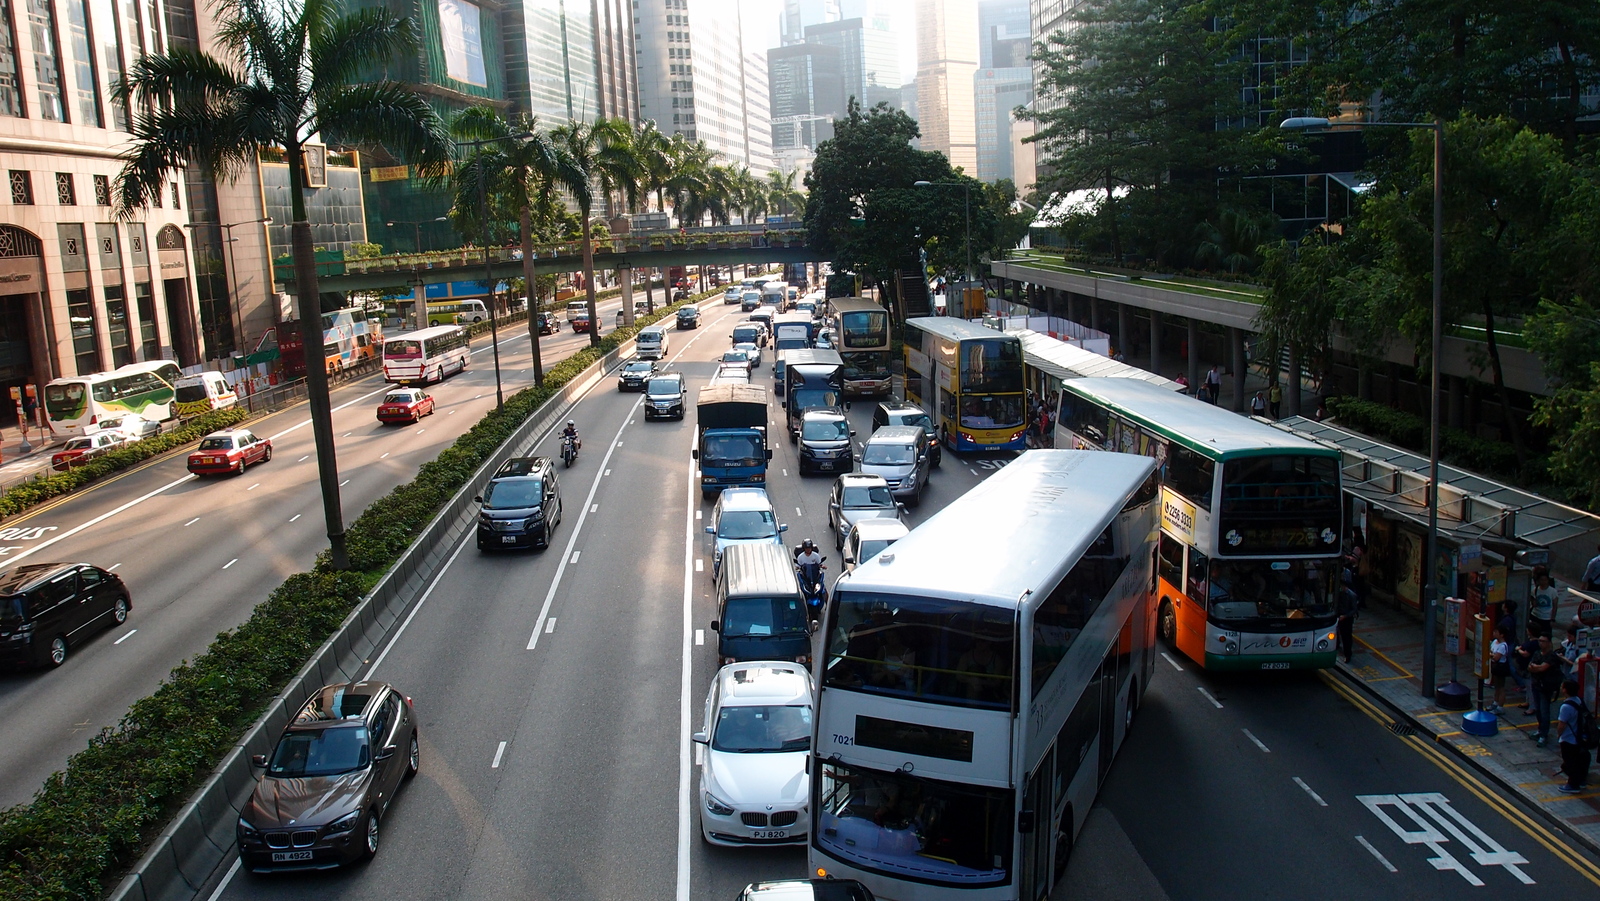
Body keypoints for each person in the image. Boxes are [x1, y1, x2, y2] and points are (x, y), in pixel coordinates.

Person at [1527, 634, 1564, 747]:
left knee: (1544, 711)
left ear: (1549, 643)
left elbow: (1543, 668)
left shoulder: (1551, 656)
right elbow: (1530, 666)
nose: (1541, 643)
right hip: (1536, 684)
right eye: (1540, 641)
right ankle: (1540, 730)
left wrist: (1536, 667)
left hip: (1546, 687)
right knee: (1538, 709)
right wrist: (1536, 667)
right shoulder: (1537, 653)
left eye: (1543, 641)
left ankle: (1544, 734)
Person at [1556, 680, 1592, 793]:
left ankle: (1573, 785)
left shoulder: (1565, 707)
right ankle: (1581, 781)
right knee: (1579, 760)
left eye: (1562, 686)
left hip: (1569, 739)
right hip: (1580, 737)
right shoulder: (1579, 700)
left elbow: (1562, 724)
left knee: (1570, 762)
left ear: (1565, 690)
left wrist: (1559, 736)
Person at [1488, 626, 1512, 714]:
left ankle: (1500, 707)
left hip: (1500, 668)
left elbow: (1496, 657)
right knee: (1496, 686)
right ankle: (1495, 702)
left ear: (1502, 635)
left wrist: (1490, 654)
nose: (1494, 633)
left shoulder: (1503, 646)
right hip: (1494, 667)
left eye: (1496, 632)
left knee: (1501, 687)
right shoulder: (1495, 642)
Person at [1529, 569, 1558, 638]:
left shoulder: (1552, 591)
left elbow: (1555, 606)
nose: (1543, 582)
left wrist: (1552, 619)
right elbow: (1534, 604)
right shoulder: (1535, 590)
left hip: (1546, 618)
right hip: (1536, 616)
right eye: (1541, 580)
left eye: (1545, 580)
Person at [1335, 580, 1357, 663]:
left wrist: (1345, 616)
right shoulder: (1339, 594)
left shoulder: (1352, 595)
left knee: (1346, 638)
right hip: (1339, 616)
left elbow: (1354, 609)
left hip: (1347, 619)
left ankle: (1348, 655)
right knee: (1338, 633)